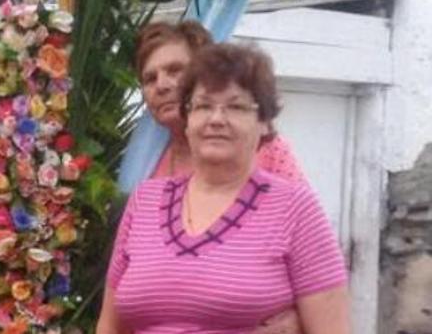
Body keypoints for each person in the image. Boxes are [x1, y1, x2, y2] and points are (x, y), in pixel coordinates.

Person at [97, 44, 350, 333]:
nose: (217, 119)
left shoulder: (295, 209)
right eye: (203, 105)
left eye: (236, 106)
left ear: (264, 123)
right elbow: (109, 326)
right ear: (188, 120)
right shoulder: (145, 201)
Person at [134, 21, 302, 181]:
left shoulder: (264, 148)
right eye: (150, 79)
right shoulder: (141, 163)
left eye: (175, 70)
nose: (161, 86)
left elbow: (299, 209)